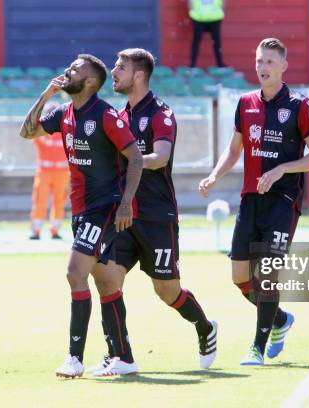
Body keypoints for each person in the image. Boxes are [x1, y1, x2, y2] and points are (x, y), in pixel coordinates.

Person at [87, 48, 217, 376]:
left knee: (167, 290)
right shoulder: (118, 116)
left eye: (121, 67)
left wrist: (130, 160)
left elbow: (160, 156)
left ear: (139, 75)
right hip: (123, 214)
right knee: (105, 277)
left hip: (157, 216)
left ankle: (205, 327)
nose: (114, 72)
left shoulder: (161, 113)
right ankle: (120, 355)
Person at [199, 38, 309, 365]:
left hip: (283, 201)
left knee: (268, 274)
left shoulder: (300, 105)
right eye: (259, 61)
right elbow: (234, 149)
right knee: (240, 277)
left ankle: (257, 347)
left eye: (270, 61)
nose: (263, 67)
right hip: (250, 200)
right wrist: (215, 175)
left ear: (284, 66)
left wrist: (282, 168)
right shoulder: (245, 103)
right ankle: (280, 319)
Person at [19, 54, 143, 379]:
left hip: (105, 207)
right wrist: (46, 95)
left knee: (75, 274)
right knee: (106, 281)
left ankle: (74, 359)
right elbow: (27, 132)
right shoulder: (63, 113)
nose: (67, 70)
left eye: (76, 69)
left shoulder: (106, 115)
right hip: (82, 209)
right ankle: (124, 358)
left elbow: (136, 158)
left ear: (90, 82)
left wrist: (127, 202)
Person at [30, 102, 70, 240]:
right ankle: (36, 230)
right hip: (44, 171)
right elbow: (31, 130)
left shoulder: (67, 128)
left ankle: (55, 230)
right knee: (40, 200)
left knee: (60, 201)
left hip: (63, 172)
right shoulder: (42, 130)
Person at [188, 0, 226, 68]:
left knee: (216, 42)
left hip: (214, 18)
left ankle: (220, 64)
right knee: (197, 41)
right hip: (199, 18)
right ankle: (192, 65)